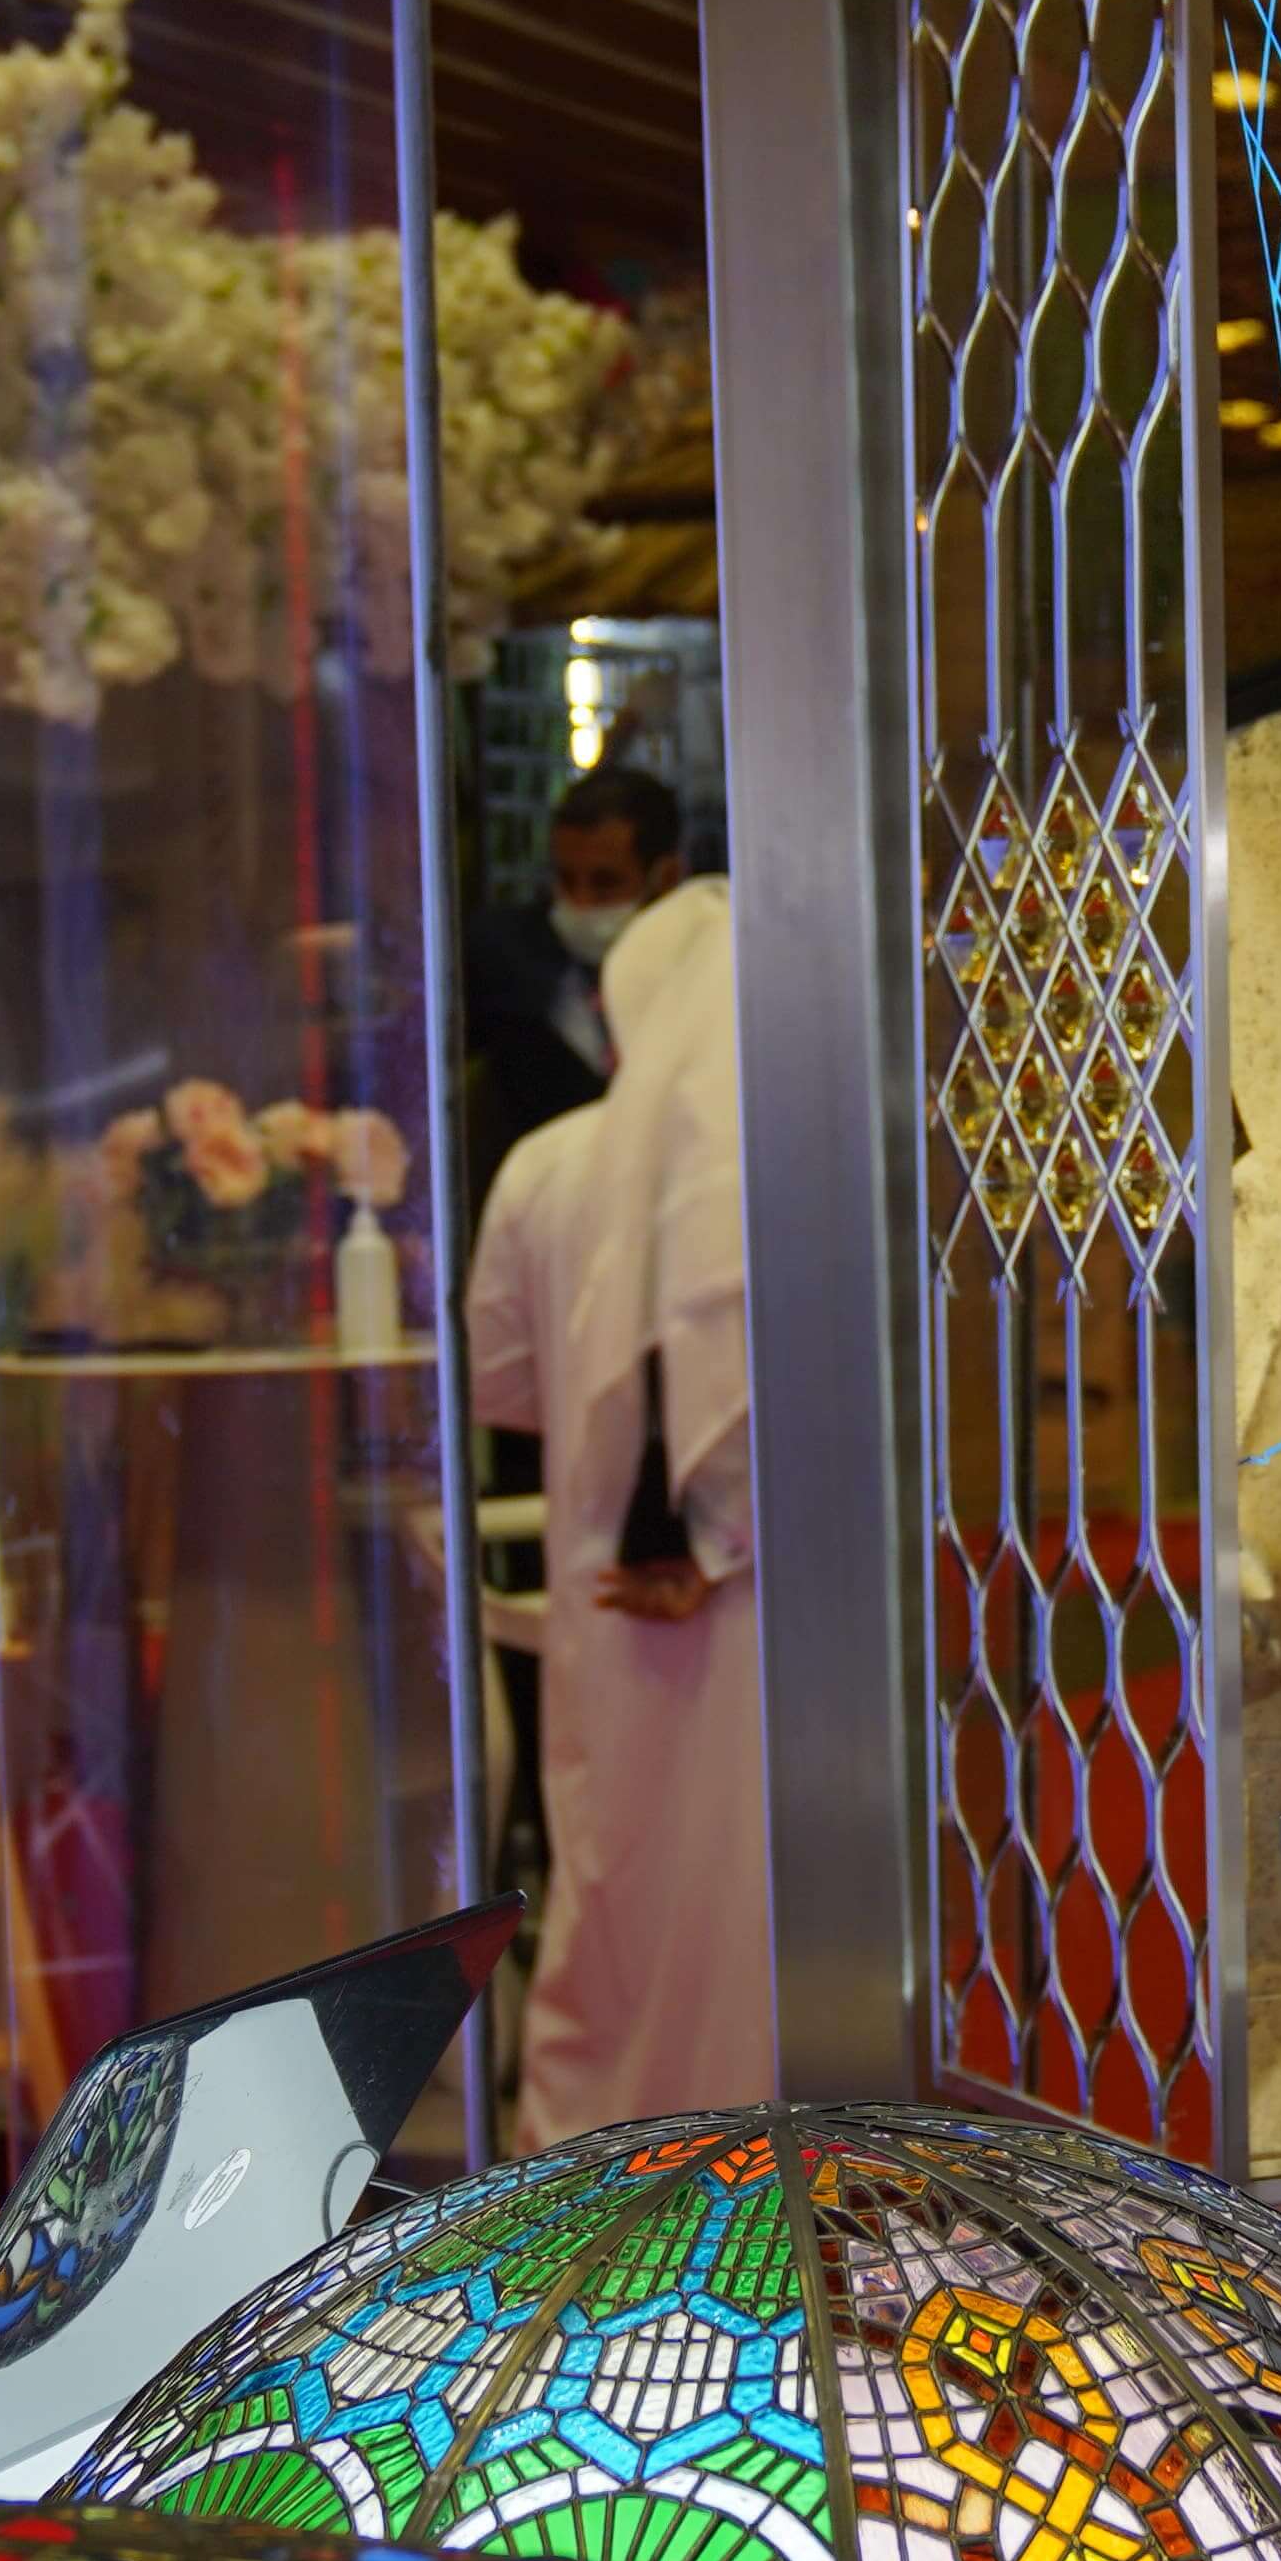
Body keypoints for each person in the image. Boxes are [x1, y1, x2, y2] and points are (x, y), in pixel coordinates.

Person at [459, 871, 771, 2137]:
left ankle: (589, 2188)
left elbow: (503, 1382)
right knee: (757, 1909)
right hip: (766, 1615)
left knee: (611, 1902)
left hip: (606, 1612)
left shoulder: (545, 1164)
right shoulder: (785, 1172)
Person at [452, 758, 689, 1236]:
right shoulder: (505, 957)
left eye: (605, 883)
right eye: (566, 880)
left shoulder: (704, 967)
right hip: (548, 1220)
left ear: (664, 878)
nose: (580, 903)